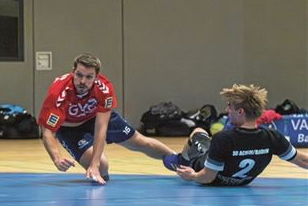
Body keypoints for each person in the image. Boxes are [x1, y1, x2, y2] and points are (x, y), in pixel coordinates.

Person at [38, 54, 177, 185]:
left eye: (89, 77)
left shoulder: (104, 89)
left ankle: (180, 160)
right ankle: (100, 173)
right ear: (72, 71)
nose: (82, 81)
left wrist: (94, 164)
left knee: (140, 141)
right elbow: (48, 132)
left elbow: (101, 128)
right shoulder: (58, 93)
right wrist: (56, 158)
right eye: (79, 75)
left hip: (94, 118)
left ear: (96, 77)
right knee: (102, 167)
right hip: (70, 128)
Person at [165, 84, 308, 186]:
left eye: (230, 106)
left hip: (210, 178)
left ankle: (182, 162)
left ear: (240, 112)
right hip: (244, 182)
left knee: (198, 132)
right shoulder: (272, 136)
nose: (227, 110)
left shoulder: (223, 138)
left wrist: (192, 176)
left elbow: (207, 178)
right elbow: (302, 160)